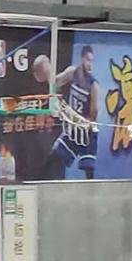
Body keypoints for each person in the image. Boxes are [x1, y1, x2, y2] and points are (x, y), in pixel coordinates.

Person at [41, 45, 100, 181]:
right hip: (72, 128)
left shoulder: (94, 85)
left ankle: (92, 191)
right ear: (82, 58)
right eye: (87, 60)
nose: (90, 64)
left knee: (88, 169)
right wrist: (47, 72)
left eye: (92, 61)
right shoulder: (73, 72)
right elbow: (56, 82)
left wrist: (76, 119)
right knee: (53, 157)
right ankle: (43, 182)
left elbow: (93, 114)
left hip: (87, 131)